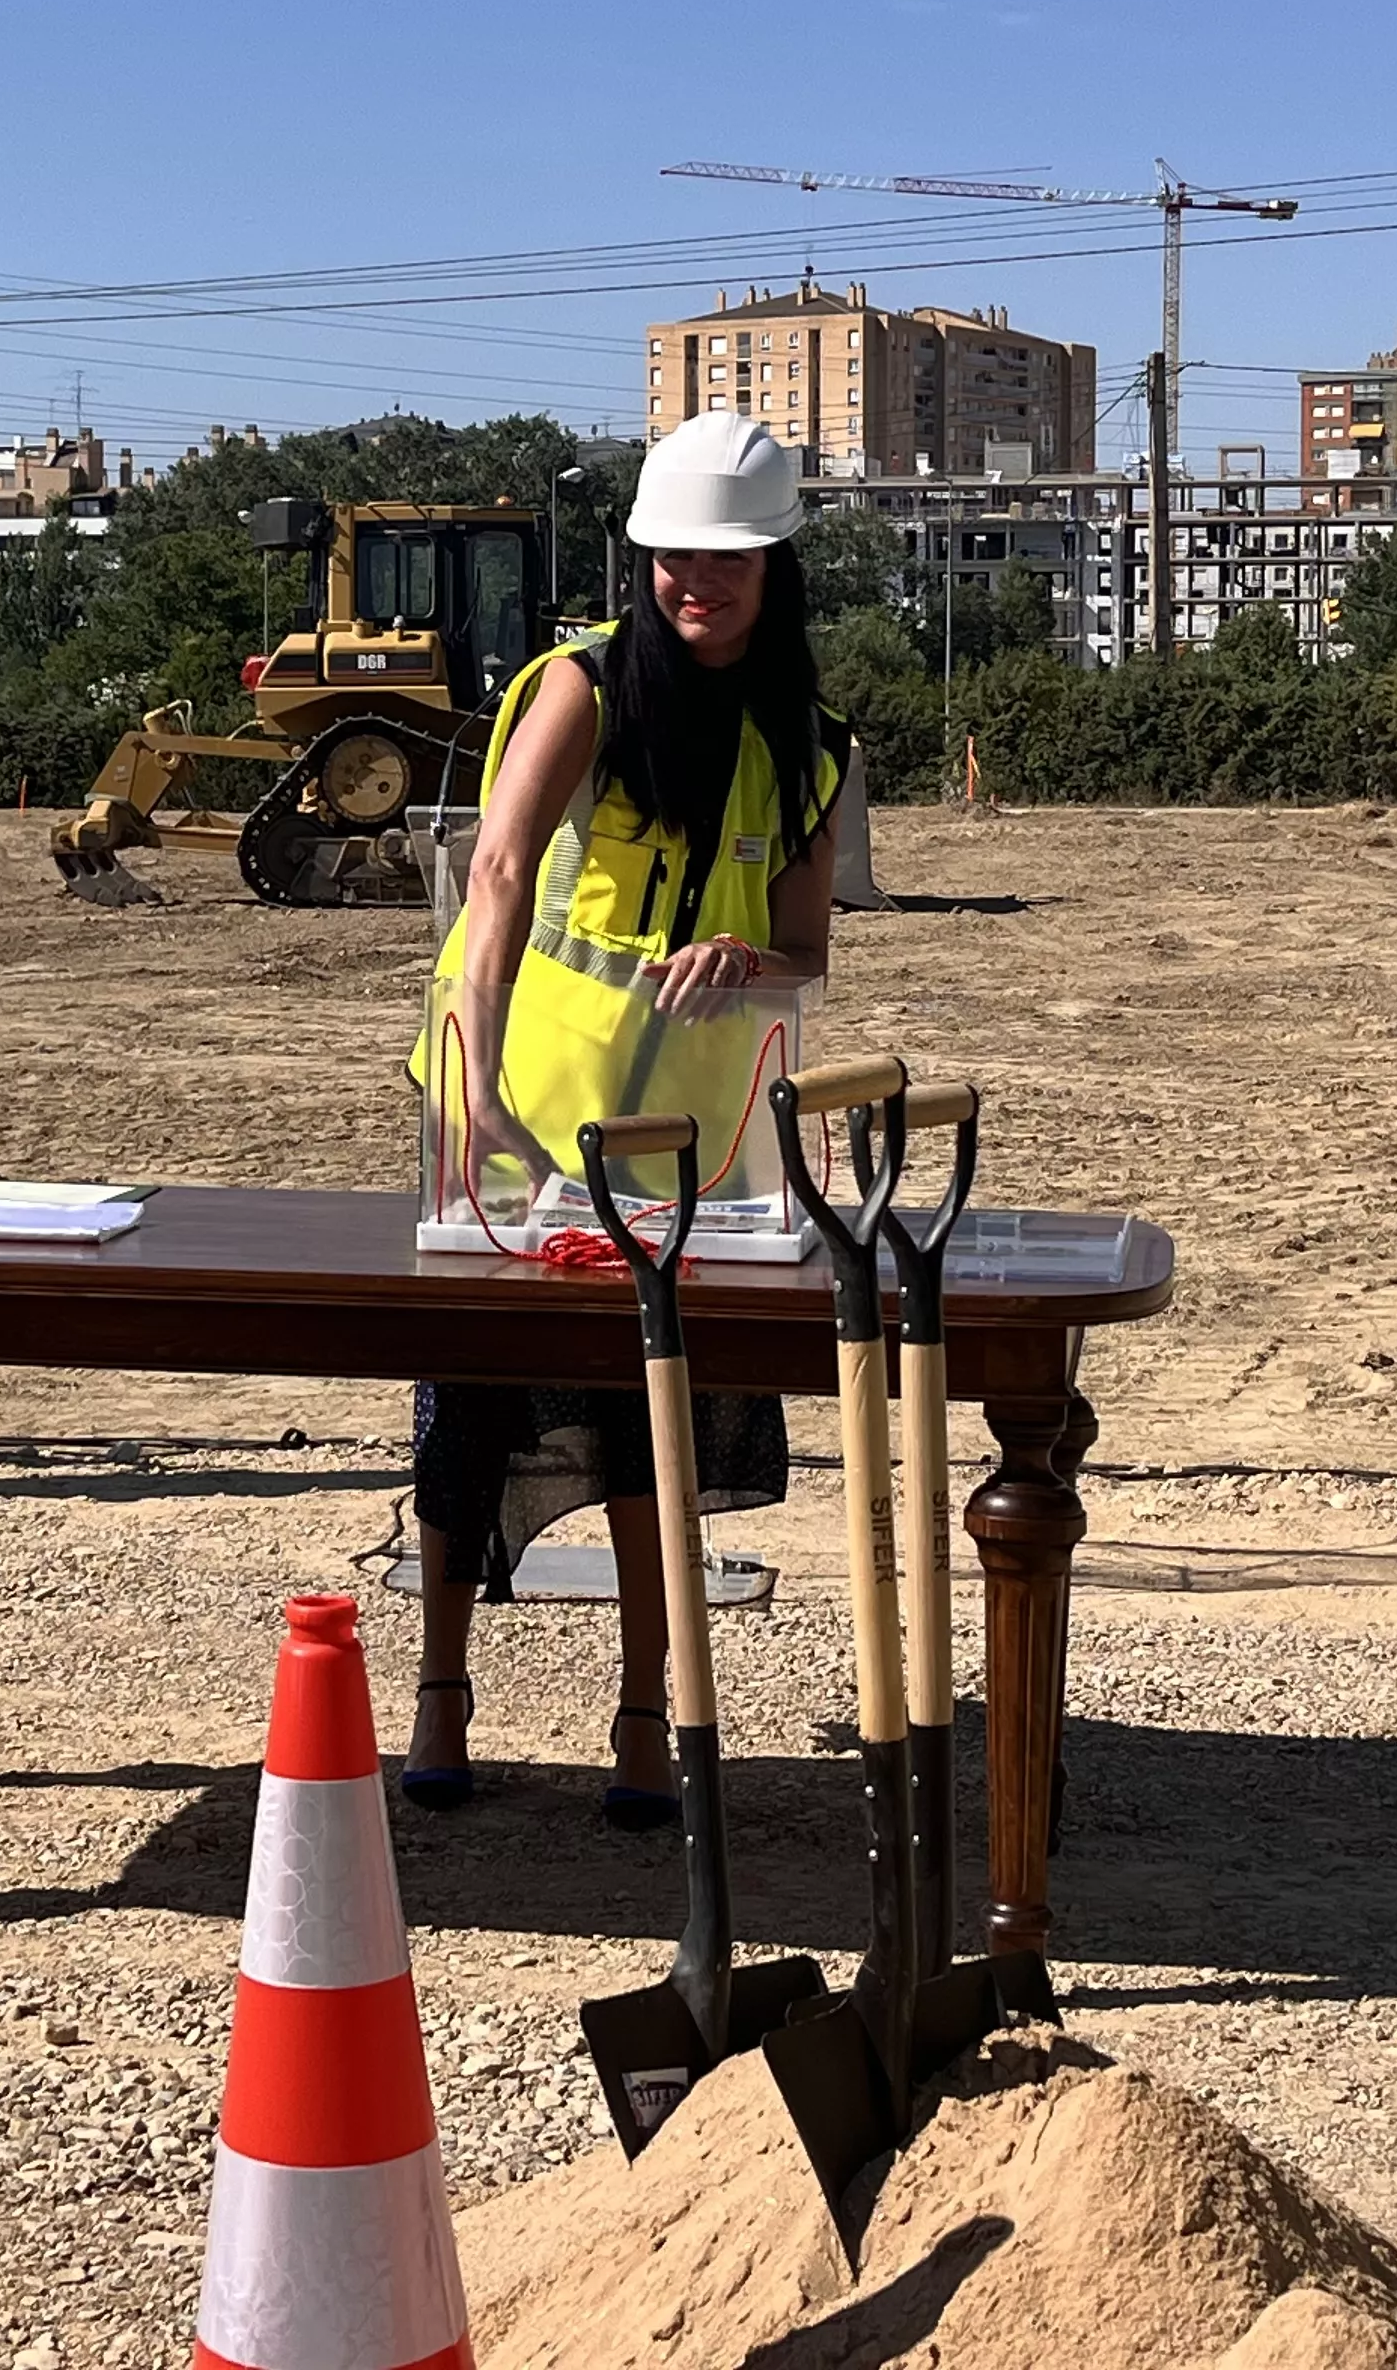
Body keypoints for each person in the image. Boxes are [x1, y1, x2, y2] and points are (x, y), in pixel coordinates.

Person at [401, 410, 848, 1824]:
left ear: (773, 568)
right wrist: (468, 1078)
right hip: (522, 1123)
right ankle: (441, 1694)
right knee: (469, 1419)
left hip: (694, 1156)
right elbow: (497, 875)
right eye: (667, 556)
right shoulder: (582, 689)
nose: (688, 583)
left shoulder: (810, 749)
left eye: (720, 560)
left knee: (667, 1432)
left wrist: (751, 966)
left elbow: (806, 955)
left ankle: (651, 1712)